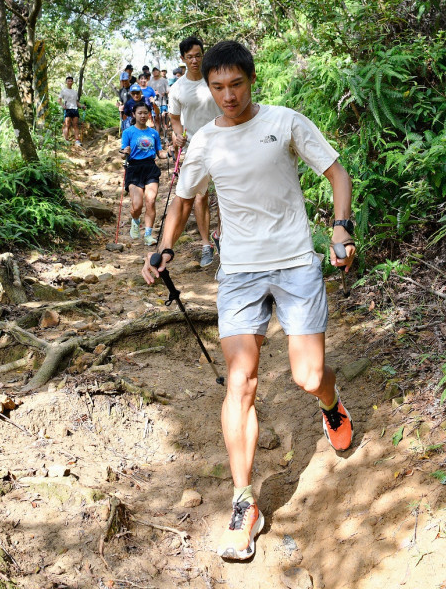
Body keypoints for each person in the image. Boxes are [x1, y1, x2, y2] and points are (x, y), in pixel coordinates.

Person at [142, 40, 357, 562]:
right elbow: (183, 198)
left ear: (251, 80)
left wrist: (341, 229)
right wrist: (165, 246)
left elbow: (337, 174)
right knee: (240, 380)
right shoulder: (204, 142)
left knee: (309, 376)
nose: (228, 95)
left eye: (236, 84)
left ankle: (329, 403)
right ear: (206, 87)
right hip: (238, 273)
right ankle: (244, 502)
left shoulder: (284, 122)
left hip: (296, 263)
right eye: (218, 87)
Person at [168, 36, 220, 267]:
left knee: (230, 191)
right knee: (200, 196)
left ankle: (222, 236)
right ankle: (206, 244)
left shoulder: (214, 78)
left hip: (224, 143)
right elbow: (174, 118)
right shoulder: (177, 88)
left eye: (198, 55)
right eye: (190, 57)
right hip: (195, 148)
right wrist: (177, 135)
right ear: (182, 59)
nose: (195, 60)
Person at [121, 104, 164, 245]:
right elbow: (123, 153)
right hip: (134, 168)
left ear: (149, 114)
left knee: (150, 201)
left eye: (145, 113)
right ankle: (135, 220)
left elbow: (160, 153)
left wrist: (170, 152)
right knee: (137, 206)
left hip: (150, 167)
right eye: (140, 113)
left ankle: (148, 235)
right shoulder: (128, 132)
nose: (143, 115)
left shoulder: (154, 133)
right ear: (134, 114)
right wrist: (124, 152)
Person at [59, 76, 81, 147]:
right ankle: (66, 140)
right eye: (68, 81)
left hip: (75, 109)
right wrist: (63, 106)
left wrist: (82, 106)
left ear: (73, 82)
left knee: (75, 125)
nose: (70, 82)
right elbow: (59, 100)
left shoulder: (75, 92)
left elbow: (76, 102)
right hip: (67, 109)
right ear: (66, 82)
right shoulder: (63, 91)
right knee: (67, 125)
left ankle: (77, 140)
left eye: (71, 81)